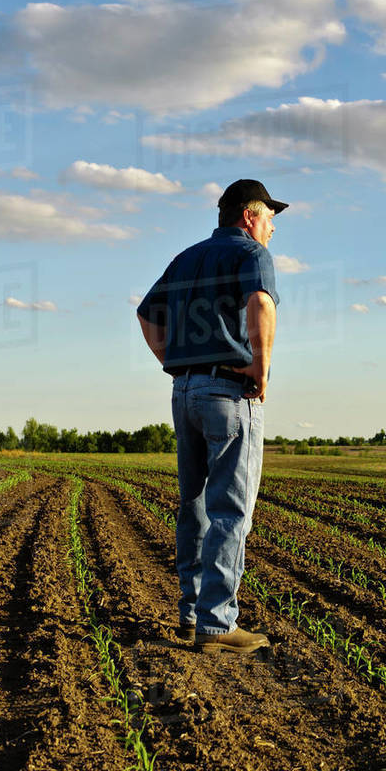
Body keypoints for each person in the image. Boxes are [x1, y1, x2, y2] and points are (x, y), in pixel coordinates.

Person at [136, 178, 285, 656]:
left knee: (194, 504)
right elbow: (260, 302)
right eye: (270, 220)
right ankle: (218, 624)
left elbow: (146, 314)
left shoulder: (186, 257)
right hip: (228, 391)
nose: (271, 231)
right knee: (231, 509)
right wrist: (261, 370)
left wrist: (171, 361)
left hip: (184, 391)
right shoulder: (251, 254)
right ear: (249, 216)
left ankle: (190, 615)